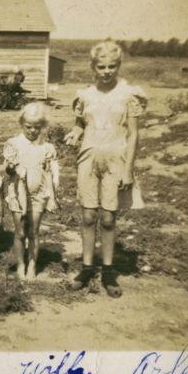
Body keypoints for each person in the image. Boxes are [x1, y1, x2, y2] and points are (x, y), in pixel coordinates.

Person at [63, 40, 146, 298]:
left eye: (112, 66)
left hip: (116, 160)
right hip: (88, 158)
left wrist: (128, 169)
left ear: (119, 65)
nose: (107, 71)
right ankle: (87, 268)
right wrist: (75, 133)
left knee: (108, 217)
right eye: (101, 66)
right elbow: (80, 124)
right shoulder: (85, 95)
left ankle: (108, 271)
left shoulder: (128, 96)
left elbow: (133, 135)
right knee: (88, 215)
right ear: (93, 67)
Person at [3, 102, 60, 281]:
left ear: (43, 126)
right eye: (28, 127)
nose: (32, 131)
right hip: (18, 194)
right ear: (22, 124)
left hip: (38, 194)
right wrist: (11, 167)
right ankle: (20, 264)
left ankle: (32, 264)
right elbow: (8, 170)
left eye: (37, 127)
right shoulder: (13, 144)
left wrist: (52, 196)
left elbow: (51, 173)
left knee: (33, 231)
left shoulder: (47, 147)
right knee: (20, 232)